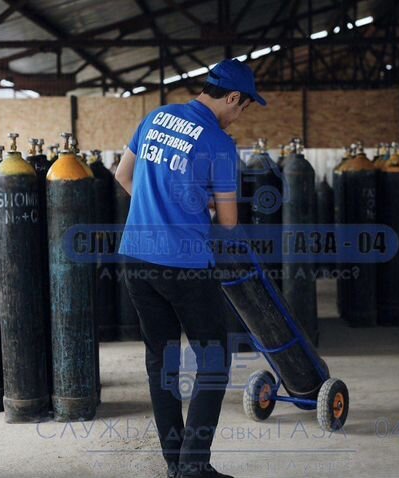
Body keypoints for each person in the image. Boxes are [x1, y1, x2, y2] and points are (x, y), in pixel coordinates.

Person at [115, 59, 266, 478]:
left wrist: (161, 208)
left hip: (135, 255)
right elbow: (230, 222)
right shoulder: (218, 143)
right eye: (243, 107)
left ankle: (175, 465)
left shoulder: (156, 116)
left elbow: (123, 175)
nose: (238, 117)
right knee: (214, 359)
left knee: (160, 362)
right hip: (182, 263)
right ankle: (194, 467)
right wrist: (195, 208)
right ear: (232, 97)